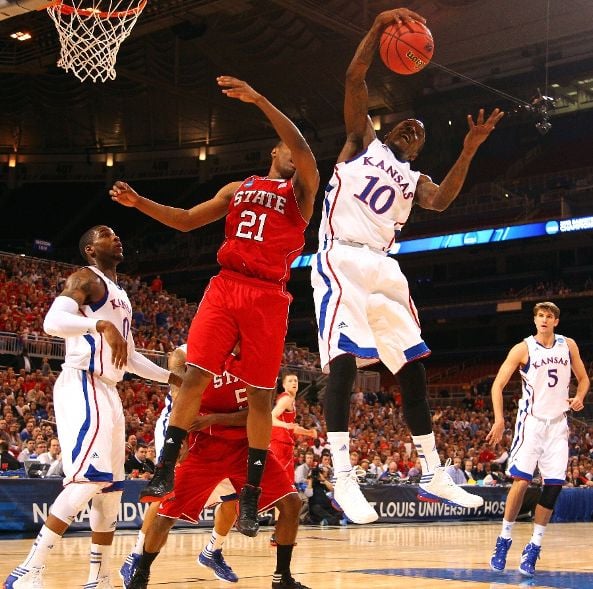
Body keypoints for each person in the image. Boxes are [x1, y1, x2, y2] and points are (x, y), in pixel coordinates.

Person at [310, 6, 503, 524]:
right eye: (407, 125)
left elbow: (441, 202)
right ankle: (344, 475)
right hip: (343, 256)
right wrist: (376, 29)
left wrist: (467, 150)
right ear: (389, 129)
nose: (414, 129)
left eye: (421, 132)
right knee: (344, 364)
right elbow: (354, 77)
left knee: (413, 370)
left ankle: (433, 471)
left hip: (385, 269)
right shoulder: (361, 143)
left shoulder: (415, 182)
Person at [110, 75, 319, 537]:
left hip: (268, 294)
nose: (292, 151)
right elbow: (185, 220)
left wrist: (262, 97)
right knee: (197, 374)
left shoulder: (301, 193)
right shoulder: (236, 189)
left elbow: (302, 147)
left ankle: (250, 496)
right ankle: (167, 463)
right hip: (227, 284)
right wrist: (139, 201)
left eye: (295, 147)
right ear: (272, 152)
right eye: (283, 147)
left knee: (262, 397)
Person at [4, 225, 181, 589]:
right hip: (83, 382)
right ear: (89, 249)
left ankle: (97, 576)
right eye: (106, 234)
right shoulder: (86, 278)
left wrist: (169, 378)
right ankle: (29, 569)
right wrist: (99, 323)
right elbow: (52, 322)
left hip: (109, 389)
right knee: (87, 482)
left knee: (111, 491)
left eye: (117, 233)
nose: (116, 237)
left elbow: (128, 356)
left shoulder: (120, 293)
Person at [123, 347, 309, 589]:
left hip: (245, 446)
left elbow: (258, 412)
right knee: (166, 508)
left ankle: (279, 577)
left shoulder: (261, 356)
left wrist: (213, 419)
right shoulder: (193, 354)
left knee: (290, 502)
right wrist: (181, 440)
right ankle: (140, 568)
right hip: (202, 445)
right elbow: (183, 402)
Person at [487, 301, 589, 577]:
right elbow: (497, 384)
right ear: (535, 321)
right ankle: (504, 540)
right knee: (521, 480)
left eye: (549, 316)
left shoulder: (568, 345)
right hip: (531, 423)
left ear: (556, 321)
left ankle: (534, 546)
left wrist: (579, 397)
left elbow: (583, 378)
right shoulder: (523, 348)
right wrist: (499, 418)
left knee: (554, 486)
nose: (544, 320)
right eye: (540, 316)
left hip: (558, 425)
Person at [270, 372, 317, 476]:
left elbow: (292, 427)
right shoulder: (286, 399)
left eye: (295, 380)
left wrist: (308, 432)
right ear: (284, 385)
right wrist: (285, 425)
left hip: (284, 444)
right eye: (290, 381)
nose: (294, 383)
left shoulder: (291, 400)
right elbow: (270, 417)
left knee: (285, 480)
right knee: (281, 479)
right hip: (279, 444)